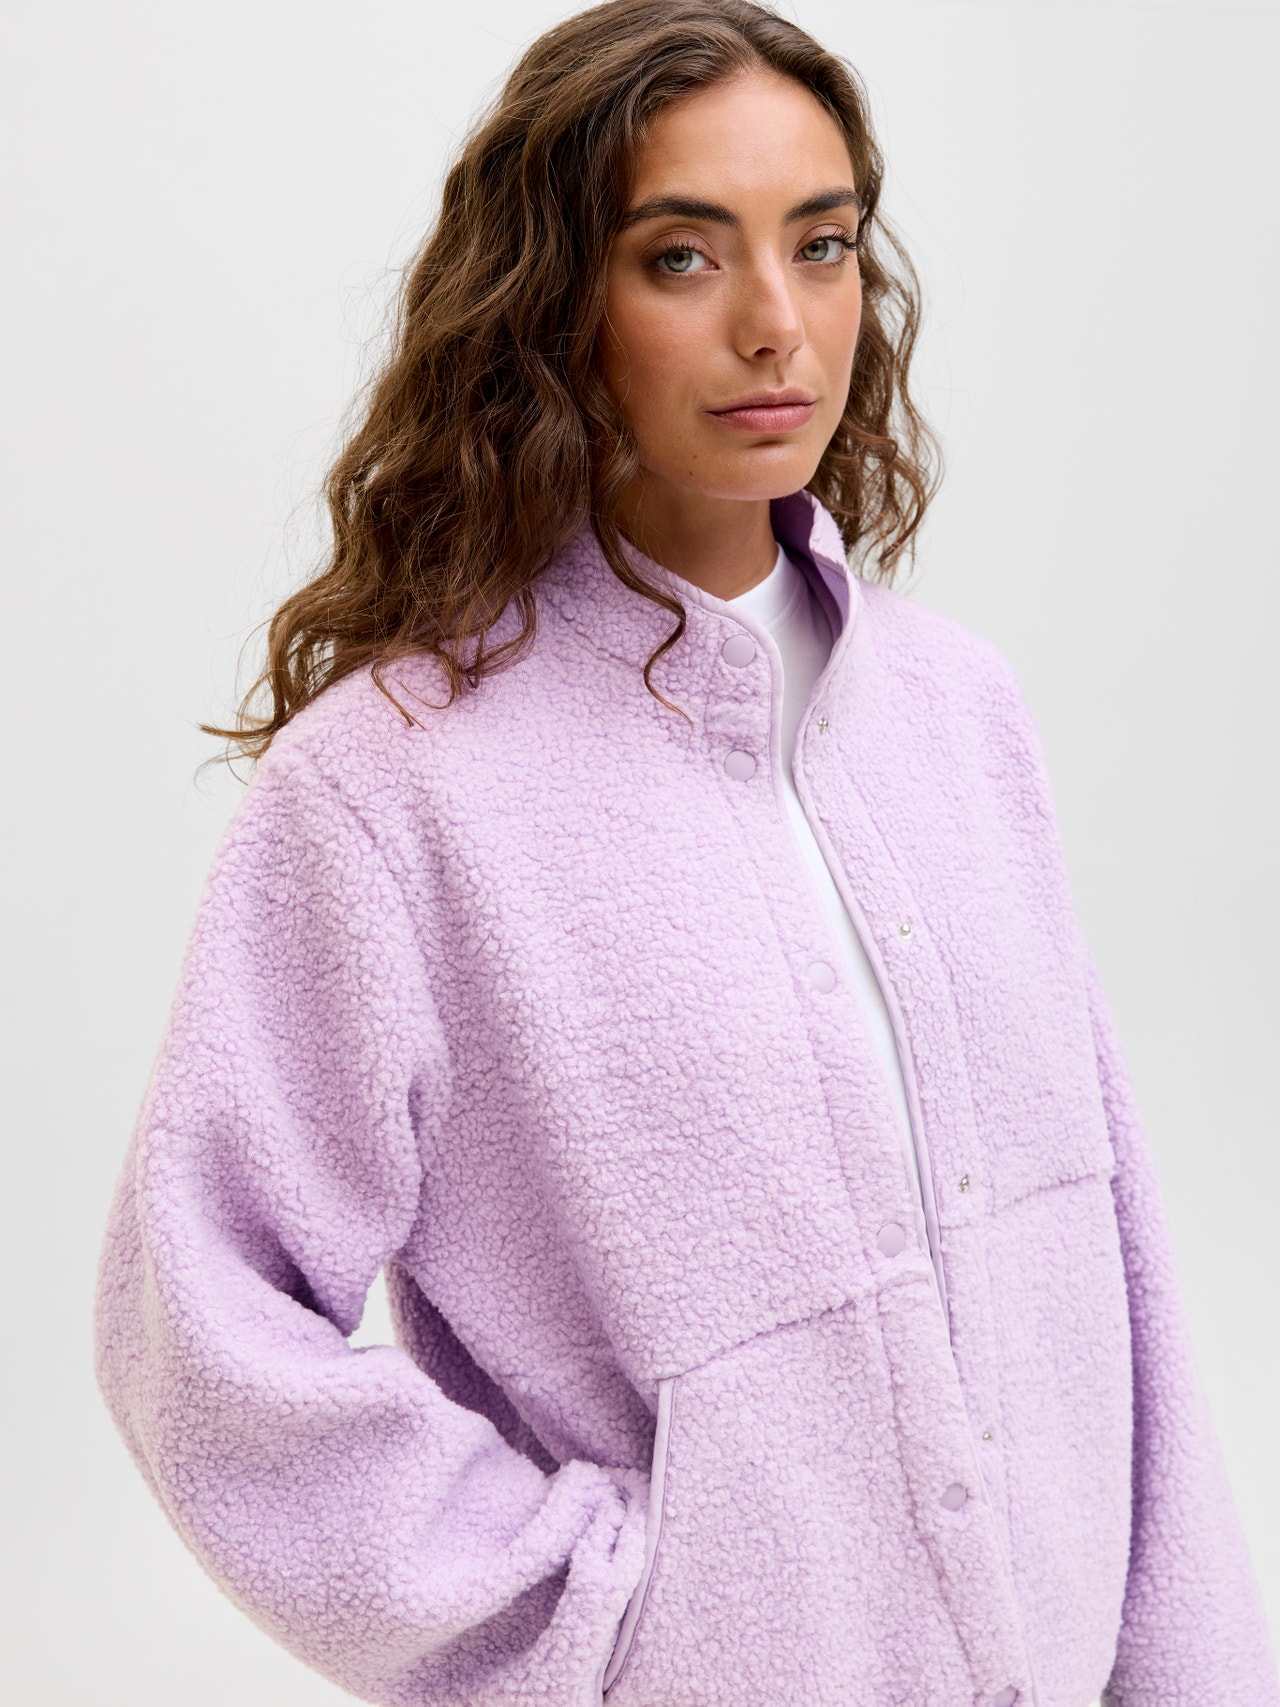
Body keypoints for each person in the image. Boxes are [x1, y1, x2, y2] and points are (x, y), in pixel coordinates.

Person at [93, 3, 1278, 1704]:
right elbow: (196, 1334)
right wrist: (597, 1619)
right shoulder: (394, 793)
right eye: (681, 257)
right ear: (554, 304)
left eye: (823, 245)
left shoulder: (959, 713)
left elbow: (1115, 1268)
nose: (776, 323)